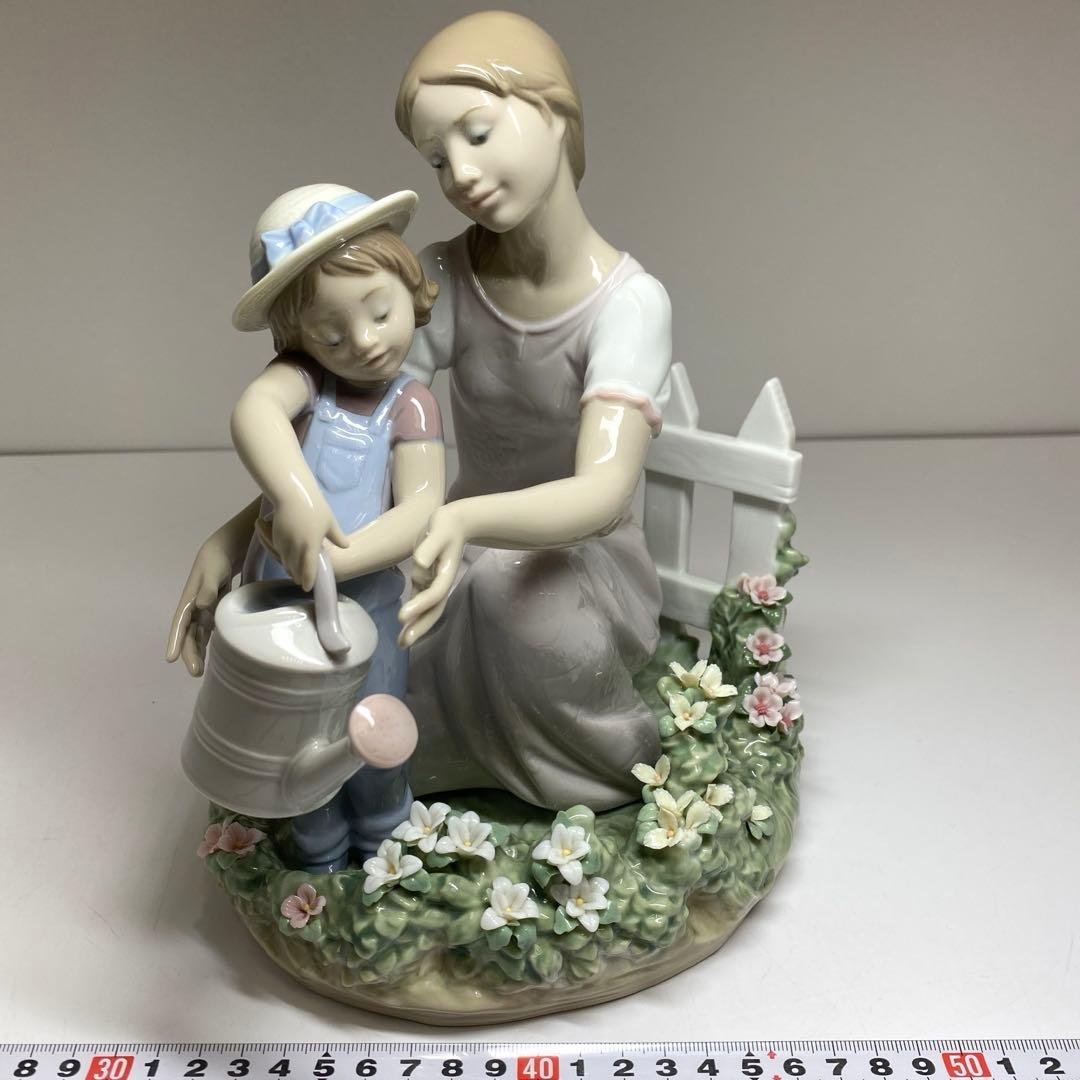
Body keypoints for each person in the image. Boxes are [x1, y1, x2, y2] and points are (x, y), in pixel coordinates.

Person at [391, 12, 673, 810]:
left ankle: (604, 765)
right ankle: (435, 760)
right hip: (455, 542)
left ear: (553, 113)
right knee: (394, 617)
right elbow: (368, 417)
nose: (459, 174)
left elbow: (601, 492)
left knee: (500, 590)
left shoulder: (628, 305)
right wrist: (254, 521)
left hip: (578, 565)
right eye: (437, 159)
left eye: (478, 134)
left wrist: (465, 522)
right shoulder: (444, 276)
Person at [167, 183, 444, 870]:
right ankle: (315, 850)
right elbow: (256, 412)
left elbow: (420, 510)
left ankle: (382, 839)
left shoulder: (409, 405)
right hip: (276, 605)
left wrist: (334, 565)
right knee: (289, 740)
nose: (364, 342)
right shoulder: (304, 383)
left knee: (372, 728)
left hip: (366, 609)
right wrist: (277, 509)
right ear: (297, 340)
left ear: (411, 290)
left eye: (380, 311)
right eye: (330, 333)